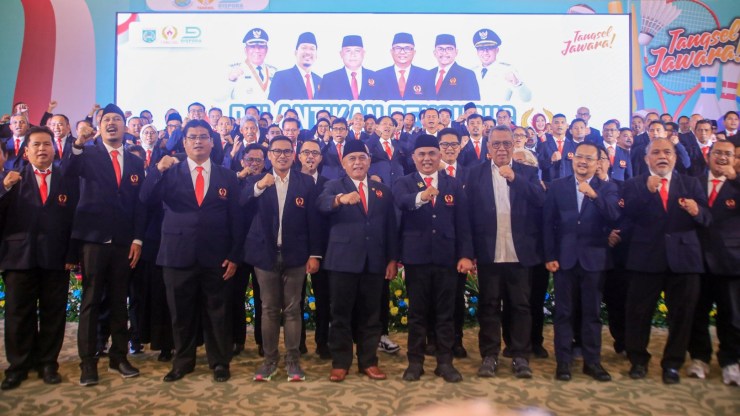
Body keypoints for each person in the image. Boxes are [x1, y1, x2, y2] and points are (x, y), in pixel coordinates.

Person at [139, 119, 243, 383]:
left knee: (218, 312)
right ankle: (183, 362)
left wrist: (234, 254)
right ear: (184, 143)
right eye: (193, 137)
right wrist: (156, 169)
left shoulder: (227, 176)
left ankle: (219, 362)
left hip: (217, 256)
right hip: (177, 253)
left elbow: (236, 219)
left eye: (203, 136)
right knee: (180, 313)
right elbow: (145, 198)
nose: (198, 141)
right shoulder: (169, 172)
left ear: (212, 142)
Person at [63, 104, 146, 386]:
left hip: (123, 242)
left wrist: (137, 239)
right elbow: (67, 170)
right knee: (91, 300)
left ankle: (118, 357)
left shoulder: (135, 162)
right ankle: (88, 362)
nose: (112, 123)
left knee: (119, 301)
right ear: (99, 126)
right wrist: (77, 143)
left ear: (124, 126)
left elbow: (138, 205)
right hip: (93, 240)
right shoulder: (86, 154)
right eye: (106, 119)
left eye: (117, 119)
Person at [622, 138, 711, 385]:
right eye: (656, 152)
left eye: (667, 152)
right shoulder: (634, 184)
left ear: (675, 157)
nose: (662, 156)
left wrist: (697, 211)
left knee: (682, 315)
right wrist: (646, 192)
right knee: (638, 313)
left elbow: (707, 218)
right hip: (645, 258)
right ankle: (638, 361)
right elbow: (626, 215)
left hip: (684, 260)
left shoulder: (691, 183)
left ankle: (672, 363)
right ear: (646, 158)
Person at [0, 126, 78, 390]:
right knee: (17, 314)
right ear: (26, 151)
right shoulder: (12, 178)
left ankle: (48, 363)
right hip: (18, 258)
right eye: (36, 144)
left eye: (47, 144)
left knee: (53, 313)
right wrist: (3, 188)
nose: (42, 149)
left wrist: (72, 253)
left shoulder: (67, 180)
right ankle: (18, 366)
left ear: (54, 148)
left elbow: (75, 220)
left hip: (56, 258)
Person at [465, 125, 546, 379]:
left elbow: (540, 200)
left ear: (514, 146)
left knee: (521, 306)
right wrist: (469, 252)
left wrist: (515, 178)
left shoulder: (527, 172)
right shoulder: (474, 173)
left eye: (506, 144)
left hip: (519, 253)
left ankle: (520, 355)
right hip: (489, 252)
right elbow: (467, 216)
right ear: (488, 148)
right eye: (496, 144)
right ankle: (489, 355)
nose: (501, 149)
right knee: (489, 305)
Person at [393, 134, 474, 383]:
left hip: (447, 259)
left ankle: (445, 363)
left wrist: (466, 255)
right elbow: (402, 202)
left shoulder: (453, 184)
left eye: (431, 153)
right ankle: (415, 363)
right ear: (413, 157)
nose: (427, 158)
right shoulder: (404, 182)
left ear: (439, 156)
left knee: (445, 314)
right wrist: (422, 196)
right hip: (416, 260)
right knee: (417, 314)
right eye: (421, 154)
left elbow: (463, 223)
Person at [317, 139, 399, 382]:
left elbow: (390, 227)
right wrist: (339, 200)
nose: (357, 162)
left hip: (374, 262)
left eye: (362, 158)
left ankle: (368, 362)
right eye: (352, 159)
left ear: (369, 162)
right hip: (342, 262)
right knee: (340, 315)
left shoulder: (382, 190)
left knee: (371, 316)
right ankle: (340, 363)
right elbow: (321, 204)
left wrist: (392, 259)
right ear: (343, 163)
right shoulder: (333, 186)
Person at [242, 136, 322, 382]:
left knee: (293, 310)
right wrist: (259, 186)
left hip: (296, 255)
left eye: (287, 151)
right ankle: (269, 360)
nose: (282, 155)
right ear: (269, 155)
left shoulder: (306, 182)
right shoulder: (256, 180)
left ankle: (293, 360)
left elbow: (314, 221)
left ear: (293, 154)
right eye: (277, 151)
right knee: (268, 309)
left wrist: (314, 254)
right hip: (264, 254)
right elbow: (240, 203)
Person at [544, 142, 620, 382]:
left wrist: (594, 196)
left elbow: (614, 216)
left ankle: (592, 362)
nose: (583, 162)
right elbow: (548, 223)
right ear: (573, 159)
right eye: (579, 157)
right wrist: (550, 255)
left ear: (598, 163)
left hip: (594, 260)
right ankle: (563, 362)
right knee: (563, 313)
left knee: (592, 313)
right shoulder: (558, 186)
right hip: (564, 260)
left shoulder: (607, 188)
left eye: (589, 158)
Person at [687, 140, 740, 385]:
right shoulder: (694, 182)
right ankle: (699, 358)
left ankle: (730, 360)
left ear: (734, 159)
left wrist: (736, 179)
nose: (722, 157)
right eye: (717, 152)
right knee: (696, 311)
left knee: (731, 315)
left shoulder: (737, 184)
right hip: (697, 259)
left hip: (730, 261)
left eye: (728, 154)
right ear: (709, 155)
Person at [472, 28, 531, 103]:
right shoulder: (471, 72)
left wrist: (517, 83)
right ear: (477, 52)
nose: (485, 52)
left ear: (497, 50)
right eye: (481, 48)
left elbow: (527, 98)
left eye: (489, 48)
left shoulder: (508, 69)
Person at [316, 35, 379, 100]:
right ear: (341, 54)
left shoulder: (376, 78)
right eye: (348, 51)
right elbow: (322, 105)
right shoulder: (329, 80)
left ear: (363, 53)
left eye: (357, 51)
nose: (353, 54)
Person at [375, 33, 432, 100]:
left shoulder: (426, 76)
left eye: (407, 48)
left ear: (414, 52)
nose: (402, 52)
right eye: (398, 48)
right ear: (391, 52)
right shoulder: (378, 76)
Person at [268, 32, 322, 102]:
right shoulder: (282, 77)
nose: (308, 52)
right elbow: (273, 105)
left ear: (316, 55)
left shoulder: (320, 81)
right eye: (304, 48)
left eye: (312, 49)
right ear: (296, 52)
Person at [227, 28, 276, 102]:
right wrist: (230, 80)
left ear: (266, 50)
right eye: (252, 47)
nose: (257, 50)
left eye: (261, 47)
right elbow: (218, 98)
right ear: (245, 50)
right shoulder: (233, 70)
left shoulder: (274, 72)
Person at [430, 34, 479, 100]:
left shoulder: (467, 75)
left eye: (449, 49)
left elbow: (472, 104)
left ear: (456, 52)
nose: (444, 53)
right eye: (440, 49)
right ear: (434, 53)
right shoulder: (428, 74)